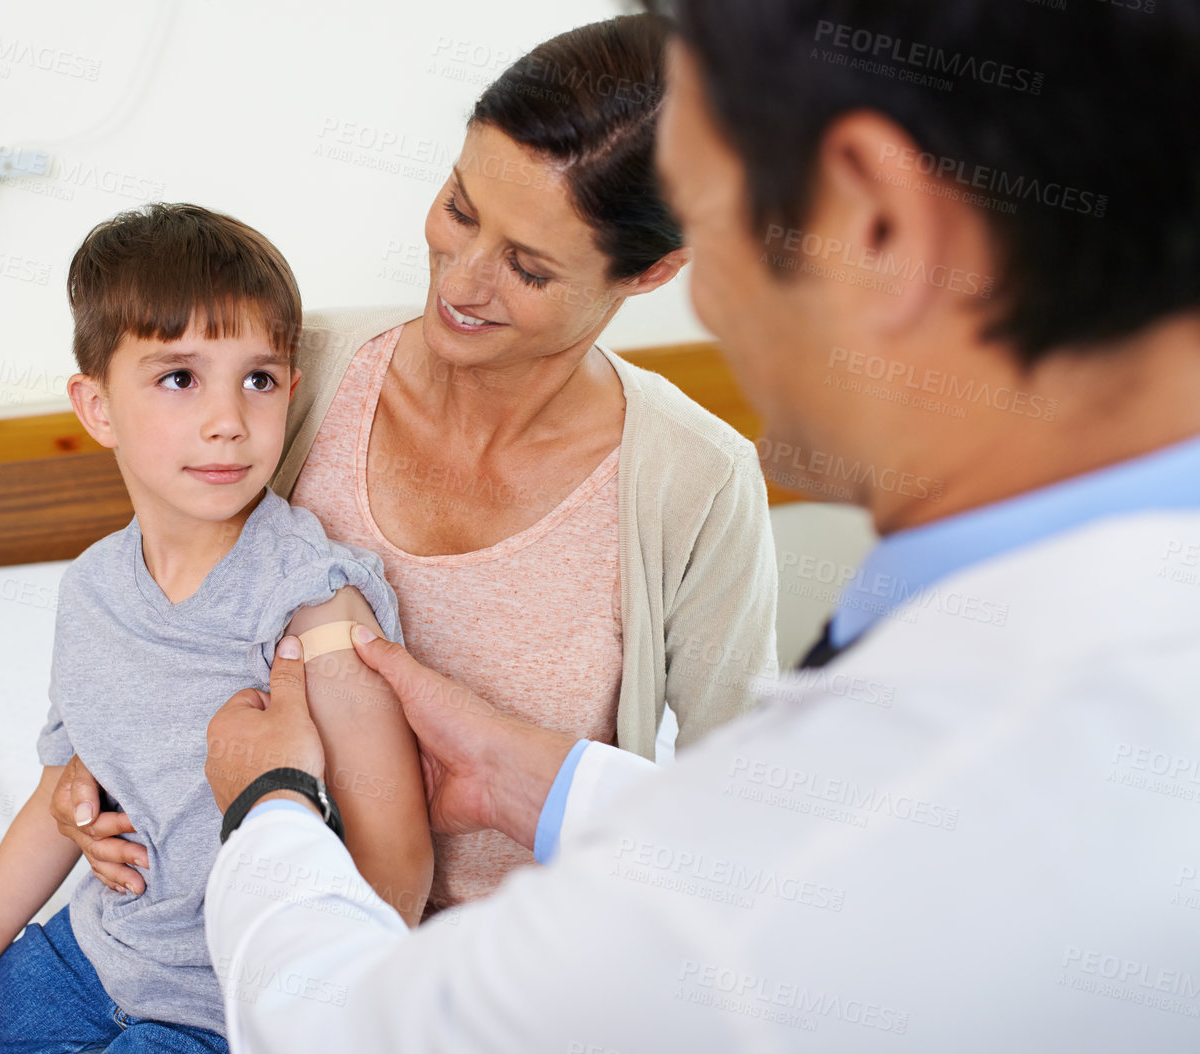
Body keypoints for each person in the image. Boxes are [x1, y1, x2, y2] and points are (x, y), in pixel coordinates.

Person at [200, 1, 1200, 1054]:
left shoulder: (755, 894)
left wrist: (267, 808)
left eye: (720, 231)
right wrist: (556, 782)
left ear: (876, 225)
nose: (713, 309)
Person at [55, 12, 778, 916]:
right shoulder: (288, 378)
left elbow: (738, 815)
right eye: (459, 208)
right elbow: (166, 606)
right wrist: (96, 772)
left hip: (517, 984)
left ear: (650, 272)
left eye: (527, 266)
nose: (461, 280)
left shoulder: (694, 480)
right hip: (250, 947)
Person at [0, 204, 432, 1054]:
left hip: (229, 1004)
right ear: (95, 407)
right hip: (101, 953)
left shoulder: (310, 604)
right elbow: (62, 786)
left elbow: (398, 867)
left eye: (259, 379)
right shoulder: (92, 589)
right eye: (177, 378)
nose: (227, 421)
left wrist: (310, 1030)